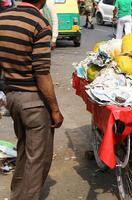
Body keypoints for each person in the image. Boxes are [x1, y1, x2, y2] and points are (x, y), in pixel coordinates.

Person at [0, 0, 64, 199]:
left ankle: (17, 194)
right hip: (33, 102)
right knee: (38, 159)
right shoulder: (39, 23)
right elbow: (42, 73)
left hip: (12, 97)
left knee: (24, 149)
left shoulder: (3, 18)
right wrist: (54, 109)